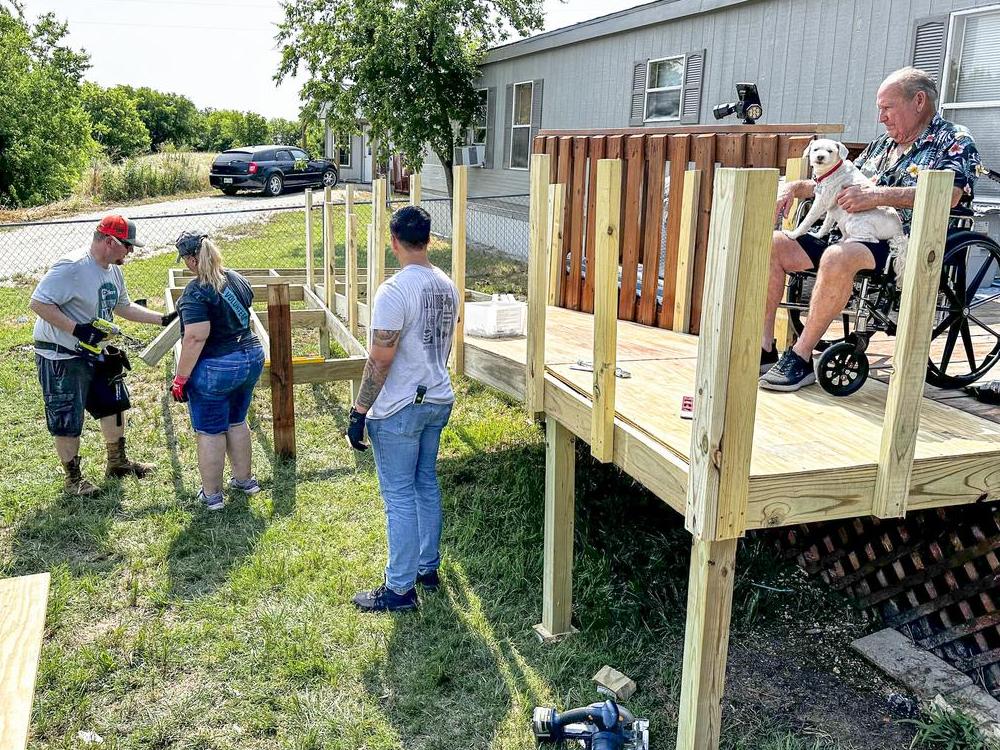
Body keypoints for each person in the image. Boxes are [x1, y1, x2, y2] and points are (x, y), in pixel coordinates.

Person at [760, 66, 983, 391]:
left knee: (837, 257)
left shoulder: (954, 140)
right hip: (846, 228)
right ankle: (765, 348)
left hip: (900, 241)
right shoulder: (881, 145)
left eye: (887, 108)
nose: (881, 117)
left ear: (918, 101)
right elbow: (837, 183)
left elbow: (949, 195)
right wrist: (795, 187)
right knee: (774, 244)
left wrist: (878, 195)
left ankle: (801, 356)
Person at [345, 205, 459, 612]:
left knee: (398, 496)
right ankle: (427, 567)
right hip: (438, 399)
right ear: (428, 240)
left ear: (394, 241)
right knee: (425, 483)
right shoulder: (447, 285)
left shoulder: (394, 291)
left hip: (401, 407)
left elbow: (380, 359)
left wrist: (359, 410)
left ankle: (399, 588)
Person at [30, 214, 176, 495]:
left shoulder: (112, 269)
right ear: (110, 241)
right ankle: (73, 480)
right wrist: (78, 330)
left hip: (95, 350)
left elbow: (123, 306)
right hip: (63, 354)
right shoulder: (72, 267)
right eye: (127, 245)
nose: (130, 251)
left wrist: (162, 319)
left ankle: (117, 462)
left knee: (113, 403)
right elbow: (38, 303)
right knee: (67, 416)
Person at [170, 232, 265, 511]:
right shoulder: (235, 278)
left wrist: (181, 378)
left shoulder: (197, 291)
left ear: (190, 259)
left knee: (210, 430)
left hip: (218, 366)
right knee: (236, 421)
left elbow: (196, 337)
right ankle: (245, 481)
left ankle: (212, 496)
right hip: (250, 356)